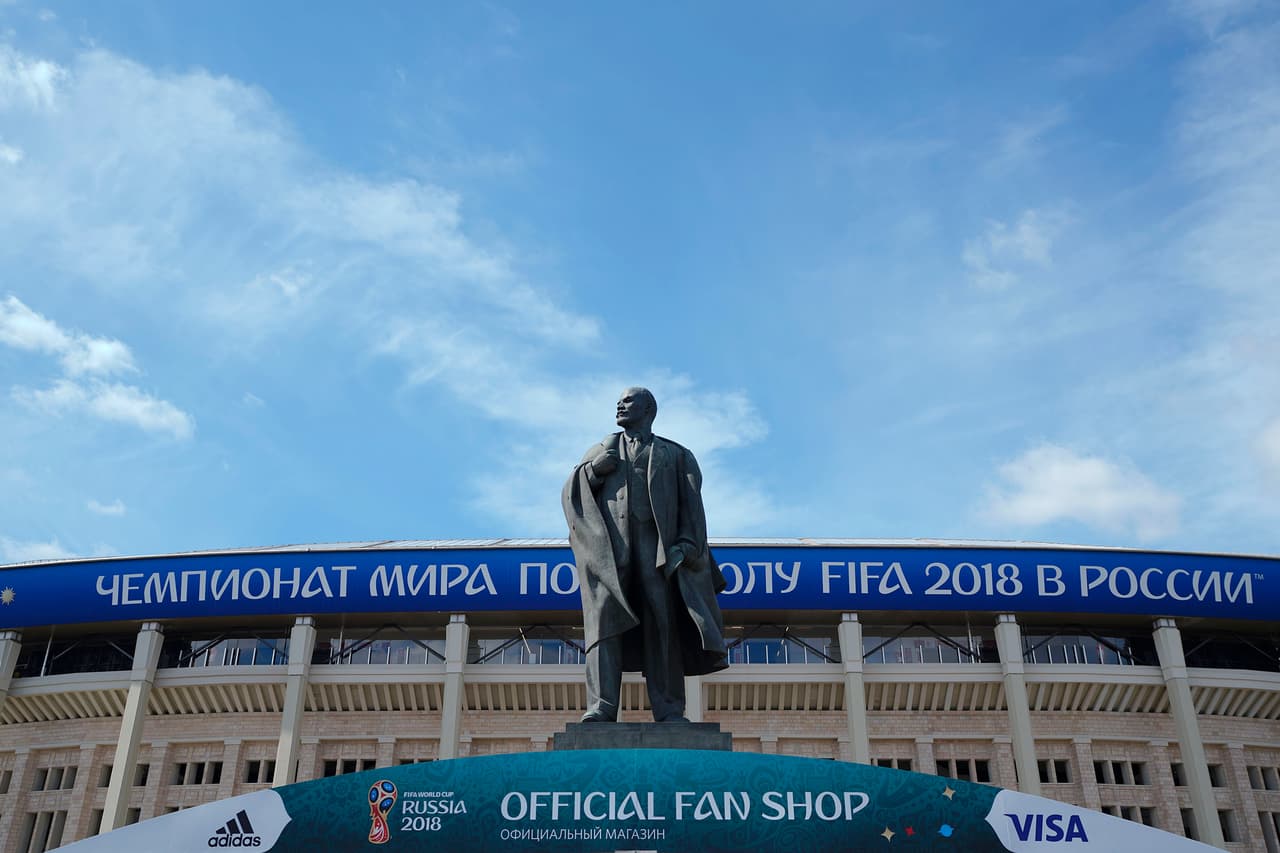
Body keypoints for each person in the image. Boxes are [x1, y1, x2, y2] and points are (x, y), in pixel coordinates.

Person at [562, 387, 728, 723]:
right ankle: (602, 706)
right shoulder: (602, 450)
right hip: (611, 556)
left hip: (658, 556)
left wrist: (686, 546)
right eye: (619, 401)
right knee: (603, 624)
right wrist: (593, 472)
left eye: (628, 400)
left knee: (662, 625)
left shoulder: (675, 455)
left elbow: (693, 510)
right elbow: (571, 494)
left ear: (648, 409)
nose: (620, 404)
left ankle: (669, 709)